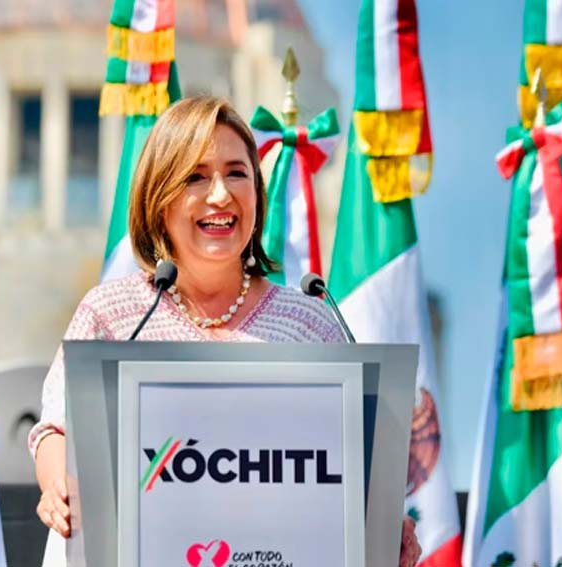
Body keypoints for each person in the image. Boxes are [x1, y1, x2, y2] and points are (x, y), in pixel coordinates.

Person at [29, 96, 422, 567]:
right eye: (196, 177)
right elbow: (56, 428)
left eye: (237, 173)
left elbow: (355, 463)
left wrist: (383, 526)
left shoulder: (308, 322)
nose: (220, 195)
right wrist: (58, 485)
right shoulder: (114, 315)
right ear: (158, 196)